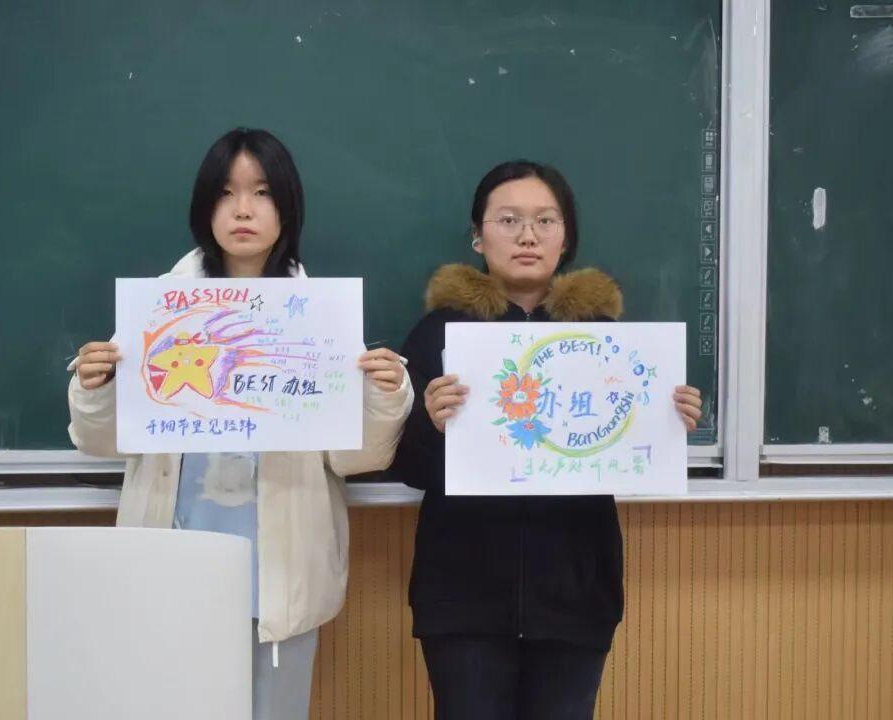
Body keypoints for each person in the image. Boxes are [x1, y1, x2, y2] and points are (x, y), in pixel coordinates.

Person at [68, 128, 413, 720]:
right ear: (205, 208)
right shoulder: (159, 310)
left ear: (287, 207)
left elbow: (356, 457)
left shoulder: (319, 319)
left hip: (280, 575)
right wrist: (93, 387)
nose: (244, 209)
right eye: (226, 194)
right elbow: (101, 441)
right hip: (175, 562)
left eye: (262, 193)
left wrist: (386, 395)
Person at [391, 160, 703, 720]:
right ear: (478, 236)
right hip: (463, 593)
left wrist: (669, 419)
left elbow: (630, 452)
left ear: (566, 238)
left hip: (576, 592)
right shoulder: (440, 333)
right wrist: (431, 425)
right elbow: (409, 466)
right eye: (508, 220)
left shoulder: (607, 341)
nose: (527, 236)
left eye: (545, 221)